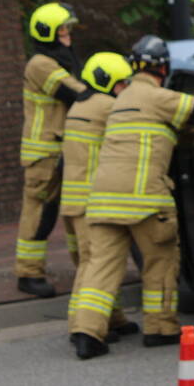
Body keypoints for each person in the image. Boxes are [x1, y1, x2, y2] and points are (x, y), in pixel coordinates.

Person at [70, 35, 194, 359]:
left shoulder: (119, 101)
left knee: (101, 267)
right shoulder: (157, 97)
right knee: (160, 262)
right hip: (145, 201)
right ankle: (160, 327)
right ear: (162, 67)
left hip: (103, 200)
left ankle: (86, 333)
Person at [61, 52, 138, 341]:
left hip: (71, 201)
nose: (125, 90)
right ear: (106, 82)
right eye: (121, 84)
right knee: (93, 264)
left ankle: (113, 318)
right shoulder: (108, 106)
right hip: (90, 202)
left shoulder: (80, 105)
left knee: (91, 262)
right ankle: (80, 327)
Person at [16, 2, 86, 298]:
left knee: (71, 212)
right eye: (62, 29)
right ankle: (28, 273)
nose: (68, 34)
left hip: (61, 151)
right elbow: (74, 93)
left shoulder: (58, 61)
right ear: (48, 33)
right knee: (40, 214)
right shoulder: (41, 65)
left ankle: (85, 267)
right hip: (45, 155)